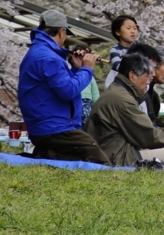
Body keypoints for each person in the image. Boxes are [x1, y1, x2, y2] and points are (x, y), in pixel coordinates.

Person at [17, 9, 110, 165]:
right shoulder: (48, 58)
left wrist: (76, 69)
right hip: (55, 128)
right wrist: (87, 68)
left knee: (66, 163)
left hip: (43, 127)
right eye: (66, 34)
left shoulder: (38, 52)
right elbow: (68, 91)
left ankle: (44, 156)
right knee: (101, 162)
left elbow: (59, 86)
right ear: (61, 31)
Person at [85, 52, 164, 168]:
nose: (148, 82)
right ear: (132, 76)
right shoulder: (122, 99)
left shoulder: (117, 92)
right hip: (115, 156)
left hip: (111, 150)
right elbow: (148, 136)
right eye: (146, 77)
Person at [105, 15, 139, 89]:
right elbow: (118, 67)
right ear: (118, 32)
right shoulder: (115, 50)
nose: (133, 31)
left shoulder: (139, 49)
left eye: (135, 28)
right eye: (128, 28)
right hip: (119, 83)